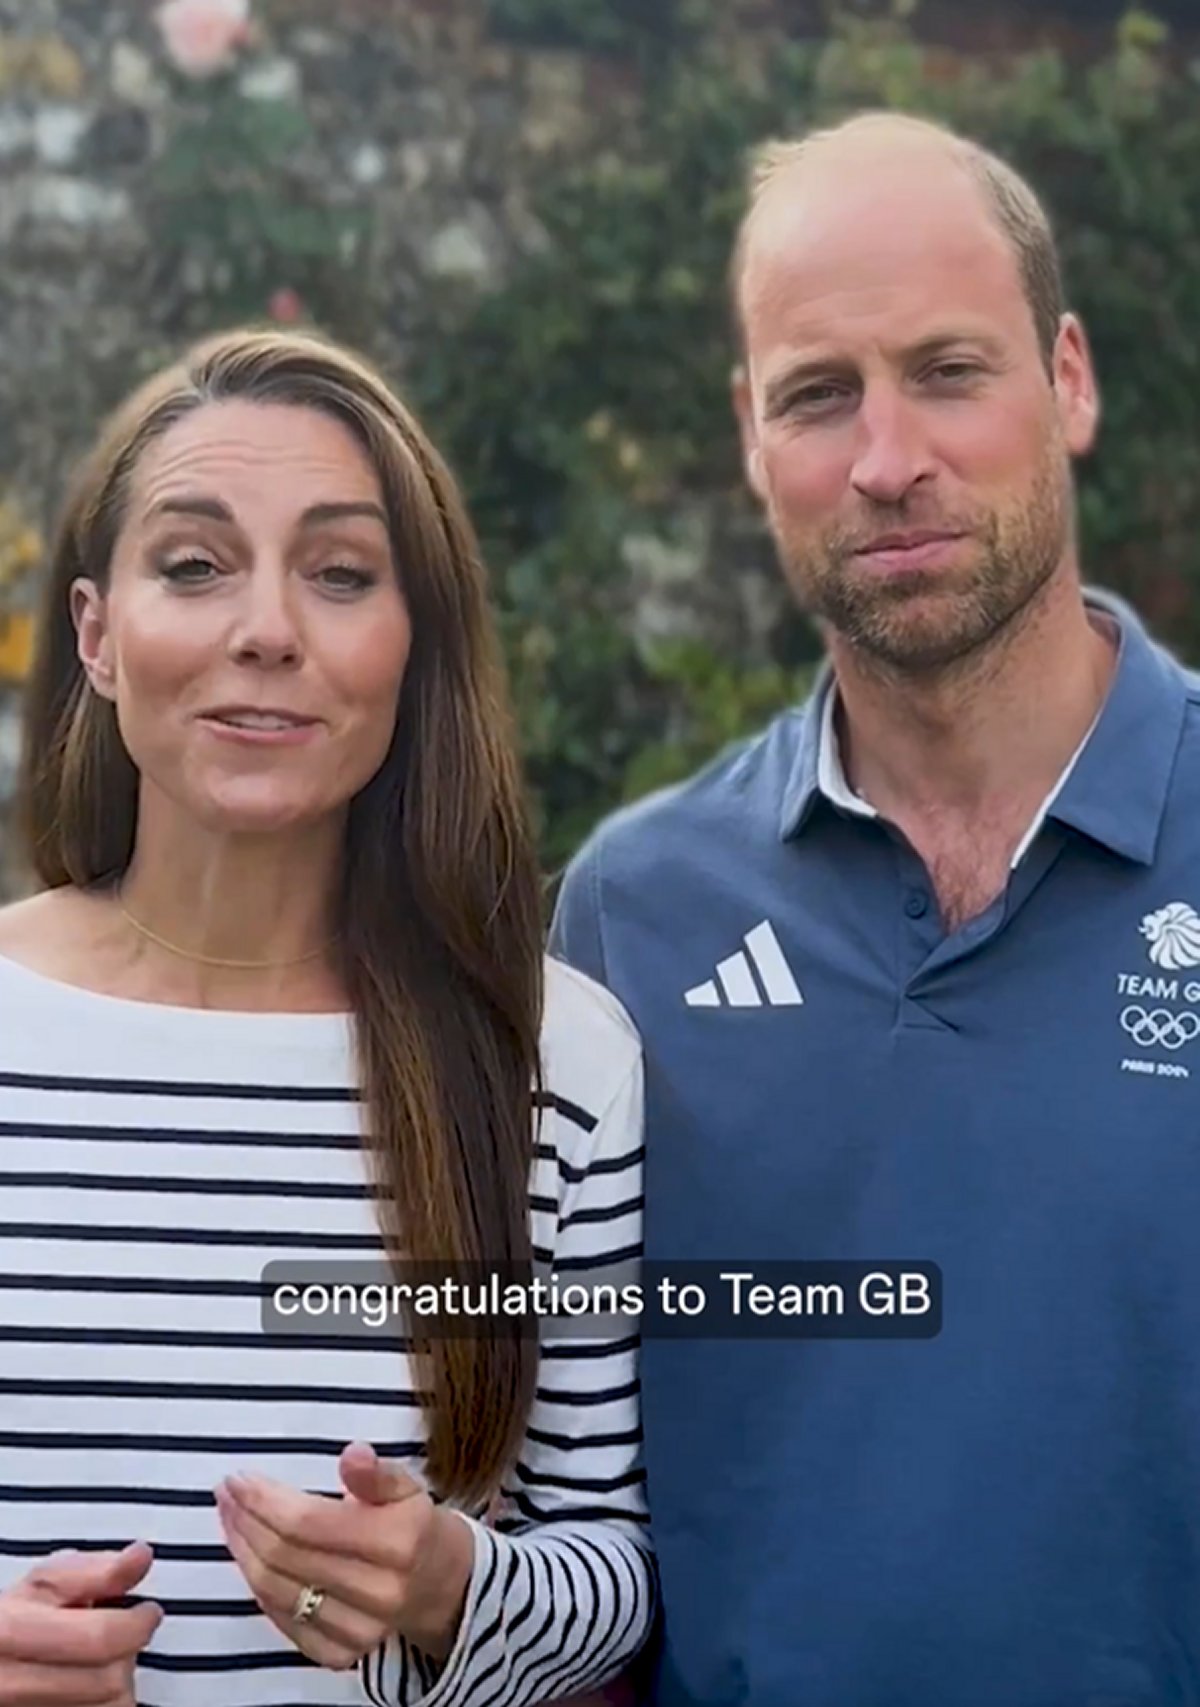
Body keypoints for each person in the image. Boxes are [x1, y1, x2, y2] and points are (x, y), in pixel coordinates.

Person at [550, 108, 1200, 1706]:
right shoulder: (635, 915)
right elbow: (559, 1510)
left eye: (948, 370)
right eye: (820, 396)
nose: (888, 459)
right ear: (751, 437)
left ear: (1068, 378)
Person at [0, 327, 654, 1707]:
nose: (266, 629)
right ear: (98, 636)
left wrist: (446, 1588)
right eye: (193, 564)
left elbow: (616, 1571)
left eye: (342, 574)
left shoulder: (557, 1062)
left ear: (414, 652)